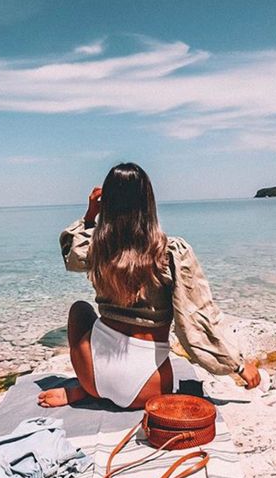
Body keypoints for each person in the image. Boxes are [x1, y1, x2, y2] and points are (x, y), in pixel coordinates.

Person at [38, 162, 260, 410]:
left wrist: (90, 216)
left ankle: (91, 392)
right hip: (148, 389)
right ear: (148, 202)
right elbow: (198, 317)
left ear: (106, 203)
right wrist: (237, 365)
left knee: (79, 309)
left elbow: (71, 254)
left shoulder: (98, 249)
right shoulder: (170, 252)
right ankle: (98, 393)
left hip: (93, 376)